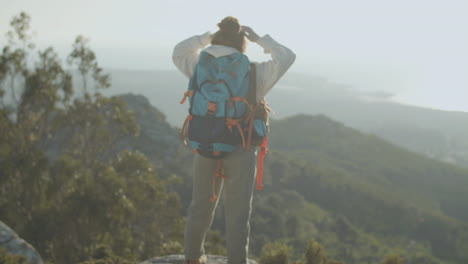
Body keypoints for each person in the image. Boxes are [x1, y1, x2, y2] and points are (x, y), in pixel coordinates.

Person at [172, 16, 295, 264]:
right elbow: (286, 57)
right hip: (241, 145)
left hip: (204, 142)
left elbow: (178, 51)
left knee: (200, 206)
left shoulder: (198, 64)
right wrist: (260, 39)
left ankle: (193, 257)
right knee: (238, 214)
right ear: (242, 43)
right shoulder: (252, 71)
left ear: (217, 39)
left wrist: (206, 38)